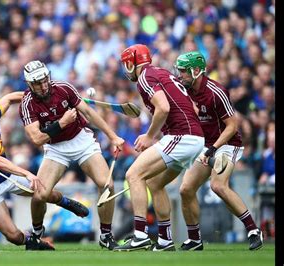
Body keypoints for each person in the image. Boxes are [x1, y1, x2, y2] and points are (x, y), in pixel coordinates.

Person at [0, 93, 90, 250]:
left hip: (7, 176)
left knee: (44, 193)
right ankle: (33, 242)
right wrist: (26, 173)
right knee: (13, 236)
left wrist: (35, 98)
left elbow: (8, 98)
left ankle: (67, 203)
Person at [19, 60, 125, 250]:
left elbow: (89, 113)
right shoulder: (27, 104)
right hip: (55, 148)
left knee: (107, 186)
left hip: (81, 140)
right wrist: (62, 122)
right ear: (29, 84)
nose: (43, 86)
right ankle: (36, 235)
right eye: (37, 83)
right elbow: (36, 138)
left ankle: (106, 236)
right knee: (39, 196)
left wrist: (113, 136)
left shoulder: (64, 88)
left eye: (44, 80)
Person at [113, 44, 204, 252]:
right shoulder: (162, 73)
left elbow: (163, 108)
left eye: (126, 64)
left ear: (131, 63)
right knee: (155, 183)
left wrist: (149, 136)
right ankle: (164, 240)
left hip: (182, 136)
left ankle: (140, 235)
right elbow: (195, 109)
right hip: (194, 137)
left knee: (134, 175)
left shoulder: (145, 77)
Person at [175, 51, 263, 251]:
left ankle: (253, 230)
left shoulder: (216, 91)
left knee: (218, 186)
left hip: (227, 143)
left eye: (184, 71)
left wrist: (212, 149)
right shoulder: (185, 89)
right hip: (205, 145)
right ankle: (195, 239)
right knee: (185, 189)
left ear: (196, 71)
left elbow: (232, 126)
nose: (180, 75)